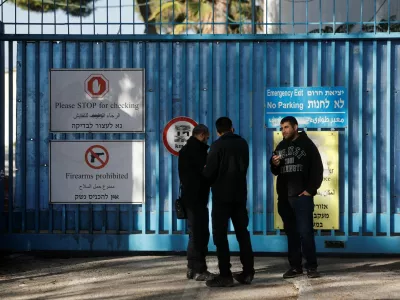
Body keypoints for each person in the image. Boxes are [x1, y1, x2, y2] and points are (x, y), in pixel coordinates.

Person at [203, 117, 254, 287]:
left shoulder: (217, 146)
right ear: (232, 128)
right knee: (242, 234)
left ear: (218, 131)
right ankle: (248, 272)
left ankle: (225, 275)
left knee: (220, 236)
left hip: (222, 197)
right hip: (240, 196)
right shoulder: (243, 143)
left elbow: (209, 173)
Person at [270, 116, 323, 279]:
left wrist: (310, 190)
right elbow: (274, 170)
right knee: (291, 233)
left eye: (286, 127)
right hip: (285, 199)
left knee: (306, 233)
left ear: (295, 127)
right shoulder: (281, 145)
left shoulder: (307, 145)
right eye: (282, 128)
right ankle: (295, 266)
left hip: (301, 198)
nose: (283, 131)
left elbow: (317, 168)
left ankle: (311, 267)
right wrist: (274, 163)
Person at [178, 124, 214, 281]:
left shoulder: (184, 150)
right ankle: (200, 269)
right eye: (207, 136)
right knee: (201, 234)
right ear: (202, 135)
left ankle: (191, 268)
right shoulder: (199, 151)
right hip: (197, 198)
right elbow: (204, 174)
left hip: (188, 198)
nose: (208, 139)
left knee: (194, 233)